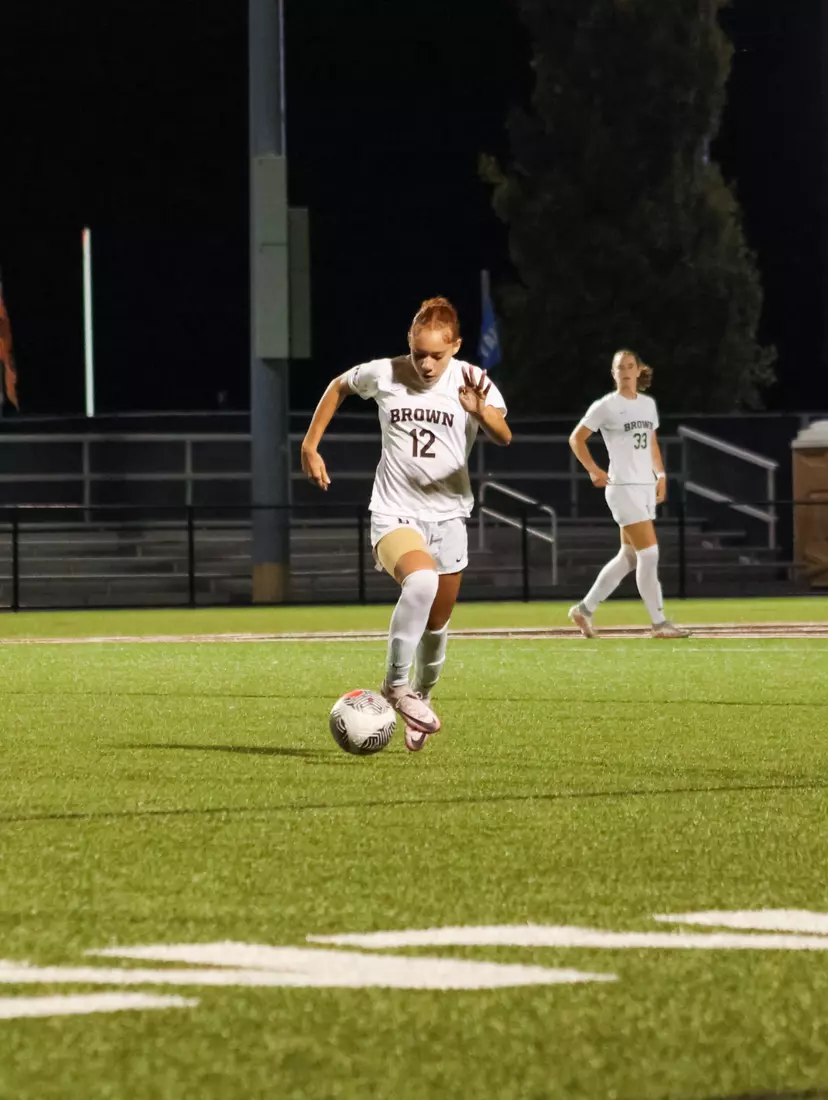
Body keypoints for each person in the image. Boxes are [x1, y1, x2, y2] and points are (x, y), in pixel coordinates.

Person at [301, 297, 511, 750]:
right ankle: (395, 686)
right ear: (409, 346)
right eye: (420, 353)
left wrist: (480, 410)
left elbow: (504, 434)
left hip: (450, 516)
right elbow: (338, 386)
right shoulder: (386, 373)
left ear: (455, 346)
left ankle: (421, 697)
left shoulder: (473, 380)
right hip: (394, 511)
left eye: (437, 354)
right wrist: (310, 446)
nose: (427, 363)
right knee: (421, 582)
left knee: (437, 628)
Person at [568, 349, 689, 639]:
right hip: (622, 488)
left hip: (644, 486)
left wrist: (660, 475)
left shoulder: (647, 405)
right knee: (650, 553)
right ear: (613, 374)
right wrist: (594, 470)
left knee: (629, 557)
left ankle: (584, 610)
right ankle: (659, 623)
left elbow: (652, 444)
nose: (624, 370)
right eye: (619, 367)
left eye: (629, 366)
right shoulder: (606, 406)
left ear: (637, 371)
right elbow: (577, 438)